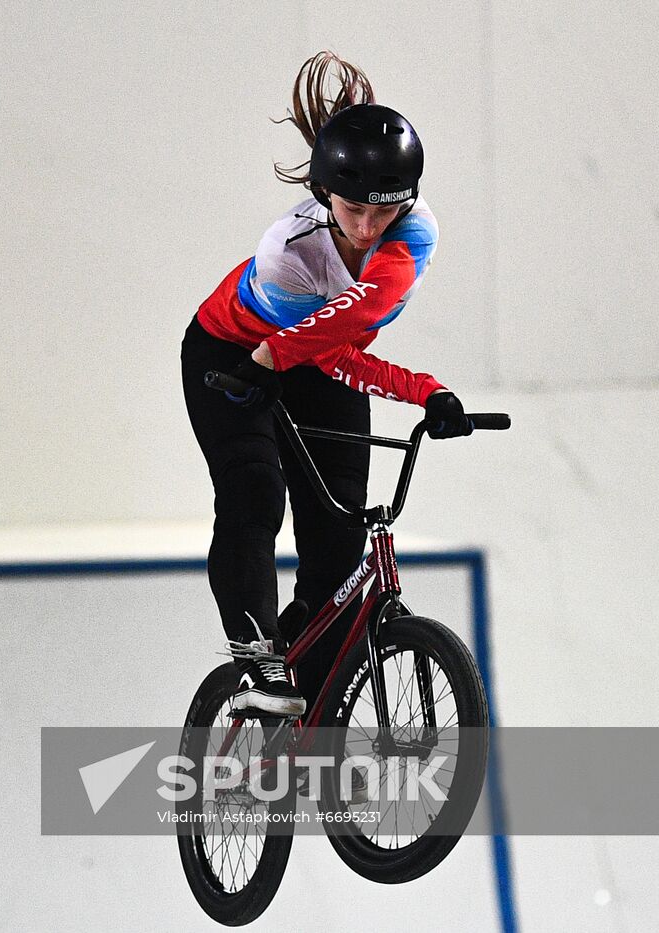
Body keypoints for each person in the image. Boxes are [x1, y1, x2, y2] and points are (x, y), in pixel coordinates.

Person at [180, 51, 472, 718]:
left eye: (383, 213)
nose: (367, 229)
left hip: (302, 354)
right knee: (256, 491)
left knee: (340, 550)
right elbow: (325, 356)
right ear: (322, 195)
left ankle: (308, 713)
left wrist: (428, 393)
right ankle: (256, 663)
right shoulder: (287, 256)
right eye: (351, 209)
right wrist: (422, 387)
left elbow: (351, 329)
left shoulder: (417, 230)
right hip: (231, 354)